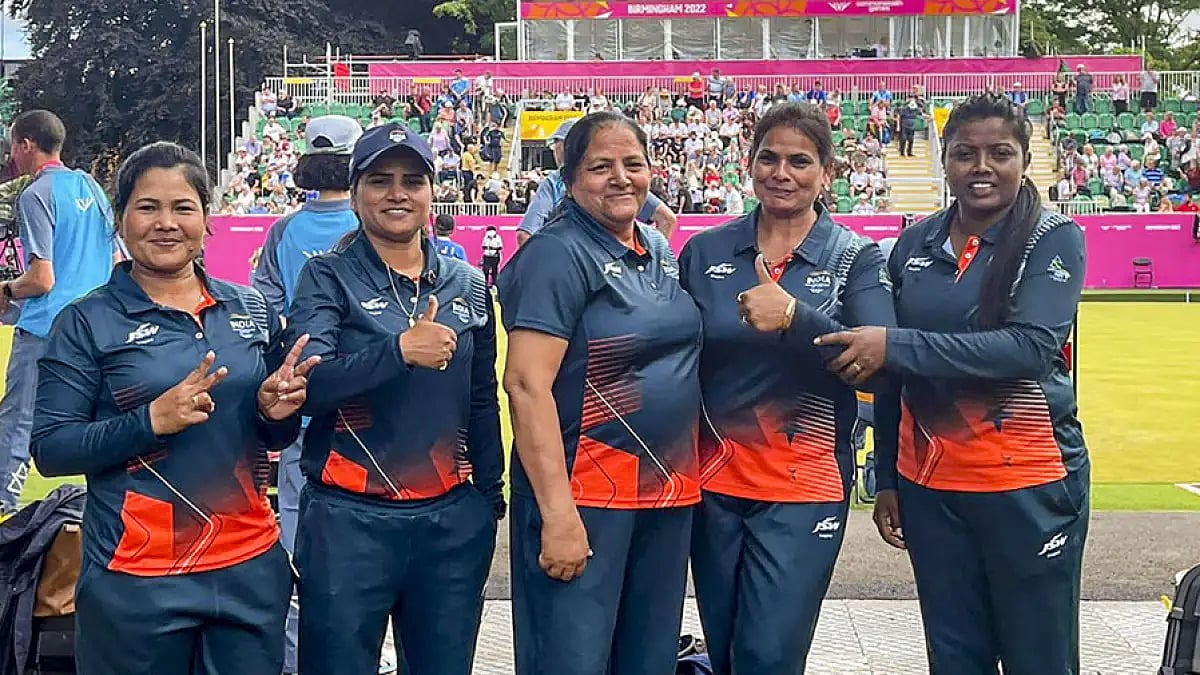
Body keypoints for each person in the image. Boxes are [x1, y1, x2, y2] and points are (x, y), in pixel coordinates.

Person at [820, 93, 1090, 674]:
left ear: (1025, 160)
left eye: (1000, 153)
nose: (982, 167)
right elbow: (893, 375)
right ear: (944, 160)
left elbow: (1029, 349)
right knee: (954, 654)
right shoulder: (914, 244)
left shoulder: (1052, 236)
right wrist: (887, 477)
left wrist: (893, 345)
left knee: (1038, 654)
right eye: (965, 153)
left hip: (1029, 483)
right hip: (931, 483)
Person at [30, 142, 317, 674]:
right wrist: (150, 422)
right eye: (147, 207)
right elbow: (51, 448)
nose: (166, 223)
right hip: (136, 581)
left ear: (207, 219)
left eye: (183, 207)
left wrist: (275, 413)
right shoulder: (86, 322)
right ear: (121, 219)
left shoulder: (250, 308)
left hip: (248, 569)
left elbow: (268, 437)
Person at [678, 102, 896, 674]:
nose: (782, 172)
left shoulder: (855, 257)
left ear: (827, 173)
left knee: (768, 656)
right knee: (724, 652)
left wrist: (797, 316)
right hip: (712, 485)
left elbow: (878, 360)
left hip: (804, 487)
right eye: (768, 158)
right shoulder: (705, 252)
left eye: (800, 161)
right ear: (748, 165)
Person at [285, 123, 504, 675]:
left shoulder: (467, 281)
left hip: (450, 521)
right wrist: (398, 351)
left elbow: (482, 400)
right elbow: (308, 387)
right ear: (355, 192)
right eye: (380, 180)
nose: (397, 194)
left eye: (413, 180)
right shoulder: (326, 277)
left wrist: (488, 498)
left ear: (434, 190)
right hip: (348, 518)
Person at [498, 112, 702, 675]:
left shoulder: (655, 251)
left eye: (632, 164)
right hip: (588, 497)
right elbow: (525, 384)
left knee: (646, 661)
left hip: (664, 496)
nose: (620, 178)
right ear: (568, 180)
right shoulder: (556, 254)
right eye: (600, 167)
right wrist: (558, 515)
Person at [249, 115, 382, 675]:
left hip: (306, 411)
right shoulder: (377, 222)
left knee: (302, 548)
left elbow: (266, 313)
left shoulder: (284, 232)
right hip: (377, 419)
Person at [0, 110, 119, 517]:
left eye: (13, 144)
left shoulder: (35, 195)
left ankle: (4, 503)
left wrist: (6, 290)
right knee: (96, 419)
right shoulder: (92, 187)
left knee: (18, 420)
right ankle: (104, 507)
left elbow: (41, 279)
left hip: (46, 327)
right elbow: (116, 258)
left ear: (27, 144)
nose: (11, 153)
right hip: (97, 327)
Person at [516, 117, 677, 247]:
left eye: (556, 145)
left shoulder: (555, 181)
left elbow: (525, 233)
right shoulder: (621, 181)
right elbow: (666, 219)